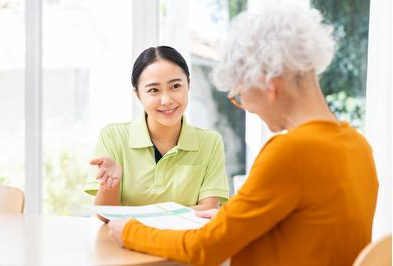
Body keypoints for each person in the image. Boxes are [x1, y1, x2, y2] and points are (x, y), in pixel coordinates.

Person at [107, 3, 379, 266]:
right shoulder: (358, 146)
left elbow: (205, 249)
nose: (245, 106)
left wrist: (129, 231)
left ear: (269, 85)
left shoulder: (291, 151)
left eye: (240, 95)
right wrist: (231, 219)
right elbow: (307, 230)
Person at [85, 46, 229, 222]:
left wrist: (137, 216)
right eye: (154, 90)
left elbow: (208, 210)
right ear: (138, 95)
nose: (167, 100)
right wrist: (110, 187)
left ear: (188, 85)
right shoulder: (113, 136)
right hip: (125, 244)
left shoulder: (210, 142)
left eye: (175, 86)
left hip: (183, 245)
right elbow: (105, 216)